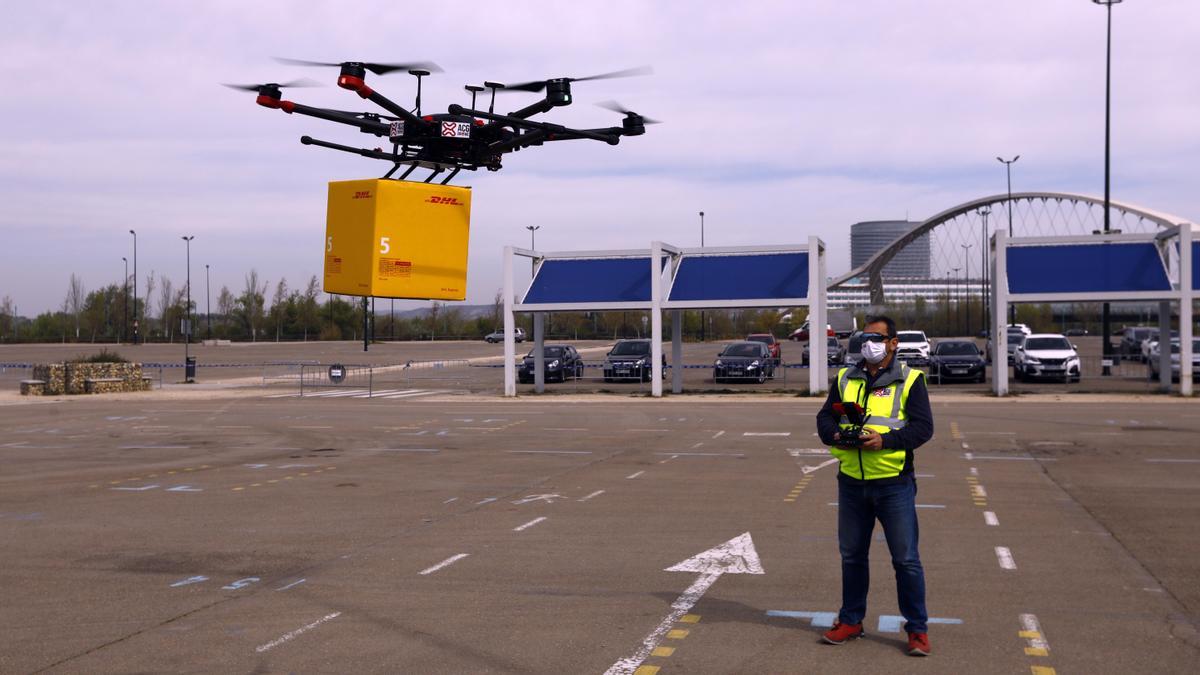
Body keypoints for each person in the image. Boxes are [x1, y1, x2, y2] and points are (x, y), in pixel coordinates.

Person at [815, 315, 935, 656]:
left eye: (878, 337)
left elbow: (923, 428)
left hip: (893, 483)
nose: (870, 343)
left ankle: (917, 630)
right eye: (865, 336)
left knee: (906, 560)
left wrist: (885, 441)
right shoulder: (845, 377)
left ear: (894, 343)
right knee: (852, 556)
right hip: (851, 482)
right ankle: (851, 620)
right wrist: (836, 434)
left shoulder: (910, 379)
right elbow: (824, 418)